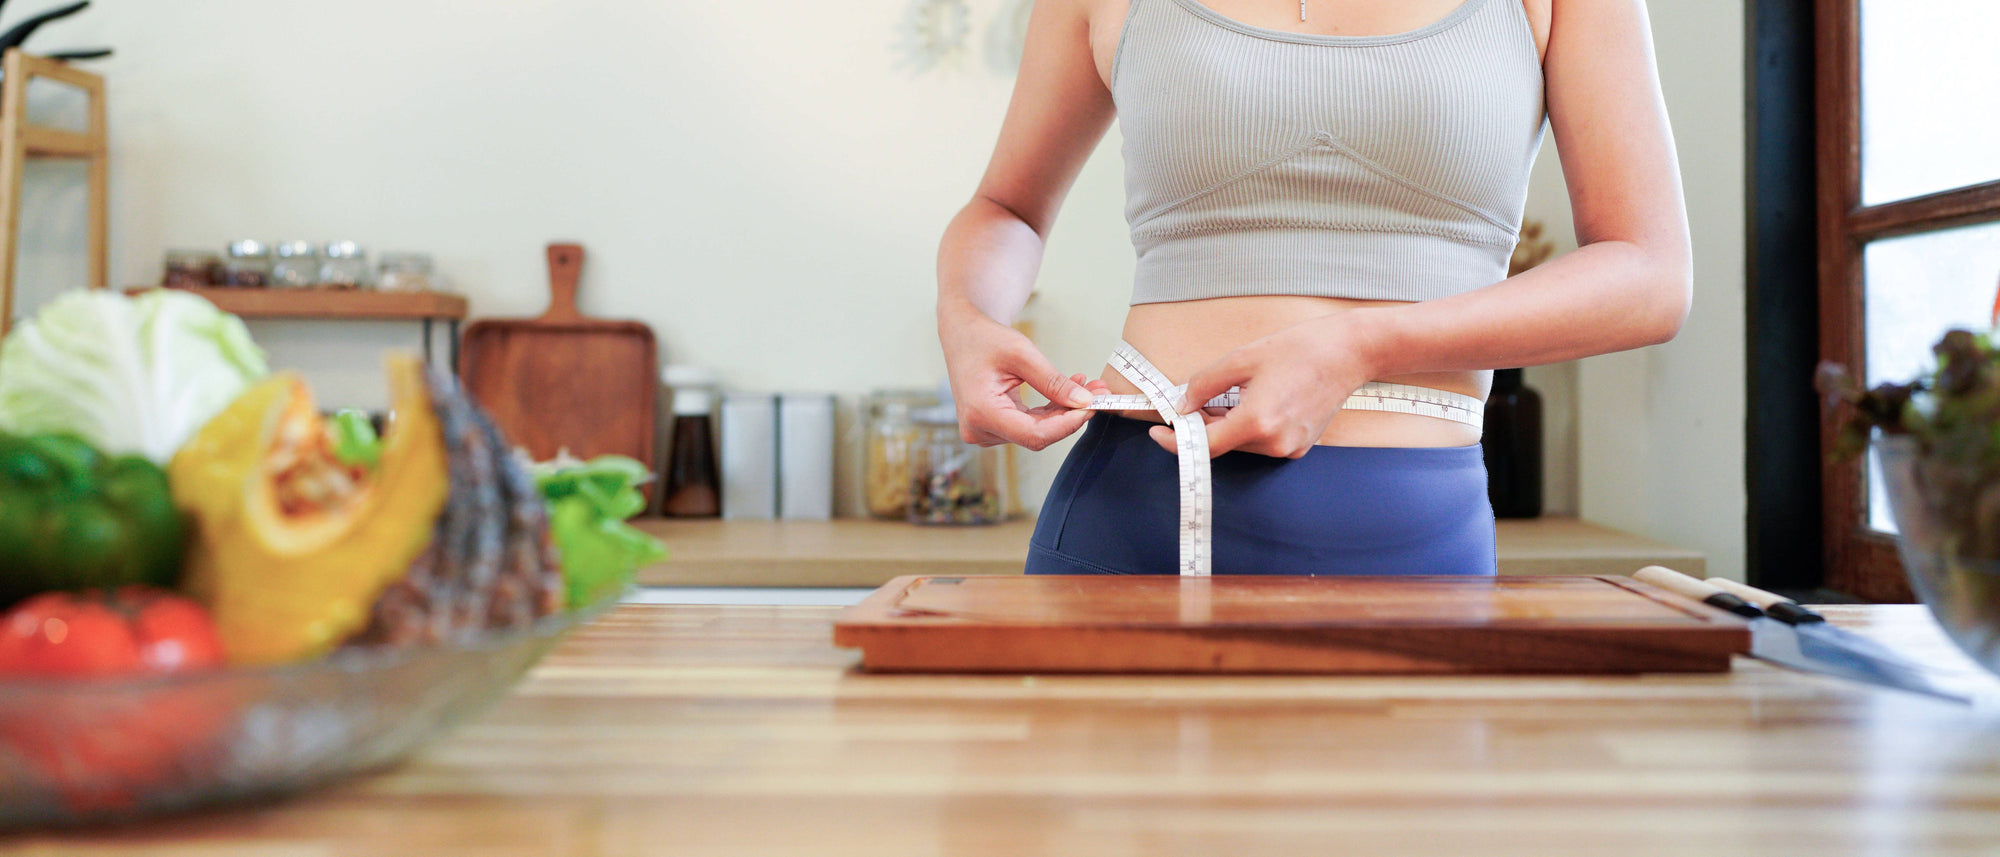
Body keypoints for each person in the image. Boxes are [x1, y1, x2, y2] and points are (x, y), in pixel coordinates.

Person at [935, 0, 1690, 576]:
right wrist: (967, 317)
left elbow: (1650, 274)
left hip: (1414, 541)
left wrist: (1364, 344)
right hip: (1133, 514)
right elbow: (1007, 208)